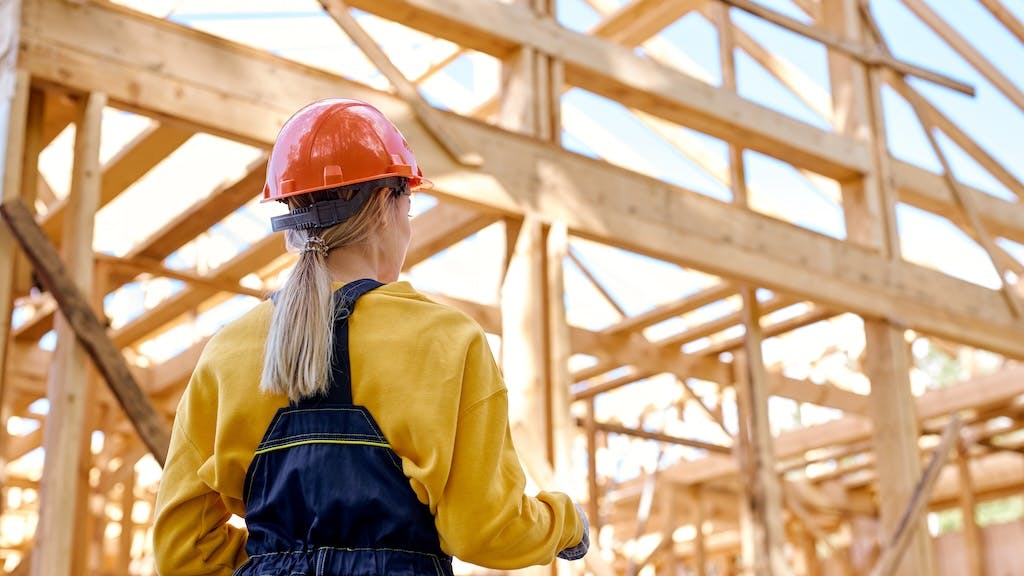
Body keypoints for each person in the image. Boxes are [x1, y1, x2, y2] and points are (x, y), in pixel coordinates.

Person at [152, 98, 589, 575]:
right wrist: (567, 523)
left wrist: (276, 561)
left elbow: (181, 549)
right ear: (386, 204)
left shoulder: (228, 351)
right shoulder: (446, 341)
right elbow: (485, 530)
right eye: (409, 204)